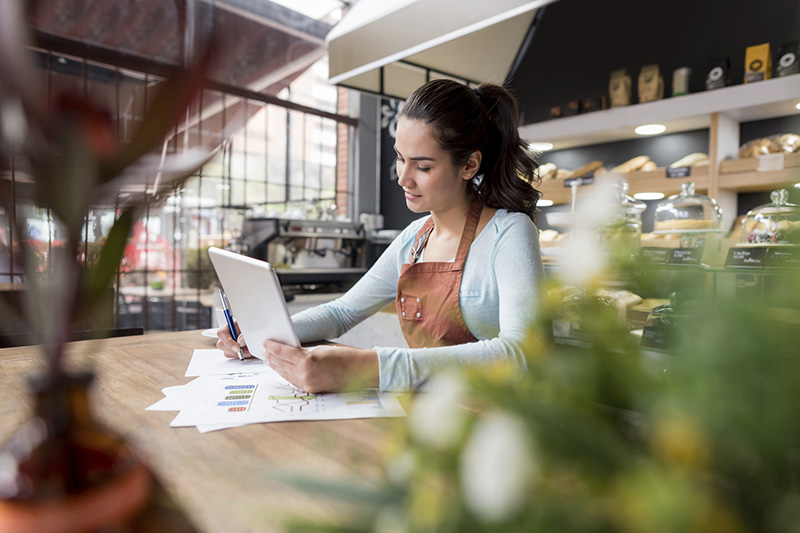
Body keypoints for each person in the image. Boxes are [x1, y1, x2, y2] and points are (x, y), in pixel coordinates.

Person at [217, 79, 545, 393]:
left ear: (469, 165)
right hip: (433, 416)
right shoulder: (413, 239)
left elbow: (521, 354)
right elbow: (341, 312)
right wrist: (262, 335)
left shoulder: (510, 233)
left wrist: (367, 366)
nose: (403, 178)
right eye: (400, 158)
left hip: (495, 419)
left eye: (423, 166)